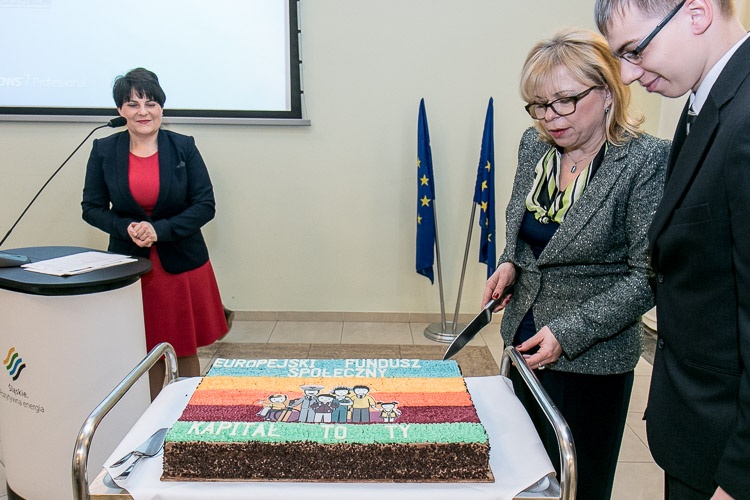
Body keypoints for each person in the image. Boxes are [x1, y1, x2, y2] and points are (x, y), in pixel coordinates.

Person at [482, 28, 670, 500]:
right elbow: (525, 231)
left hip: (591, 359)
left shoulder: (645, 160)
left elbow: (647, 276)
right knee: (522, 478)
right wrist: (510, 263)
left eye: (564, 101)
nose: (550, 117)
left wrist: (568, 332)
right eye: (539, 105)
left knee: (576, 485)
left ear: (607, 92)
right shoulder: (533, 145)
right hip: (522, 341)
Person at [594, 1, 750, 498]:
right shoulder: (707, 100)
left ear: (697, 14)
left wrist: (740, 476)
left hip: (729, 453)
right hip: (696, 430)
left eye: (635, 50)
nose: (626, 74)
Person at [82, 67, 228, 400]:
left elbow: (205, 205)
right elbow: (91, 208)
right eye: (132, 104)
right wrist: (126, 227)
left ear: (161, 107)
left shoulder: (183, 147)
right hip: (133, 267)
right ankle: (145, 416)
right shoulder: (104, 150)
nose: (143, 112)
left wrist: (158, 230)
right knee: (142, 350)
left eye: (150, 103)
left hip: (180, 266)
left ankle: (188, 413)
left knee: (184, 348)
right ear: (120, 110)